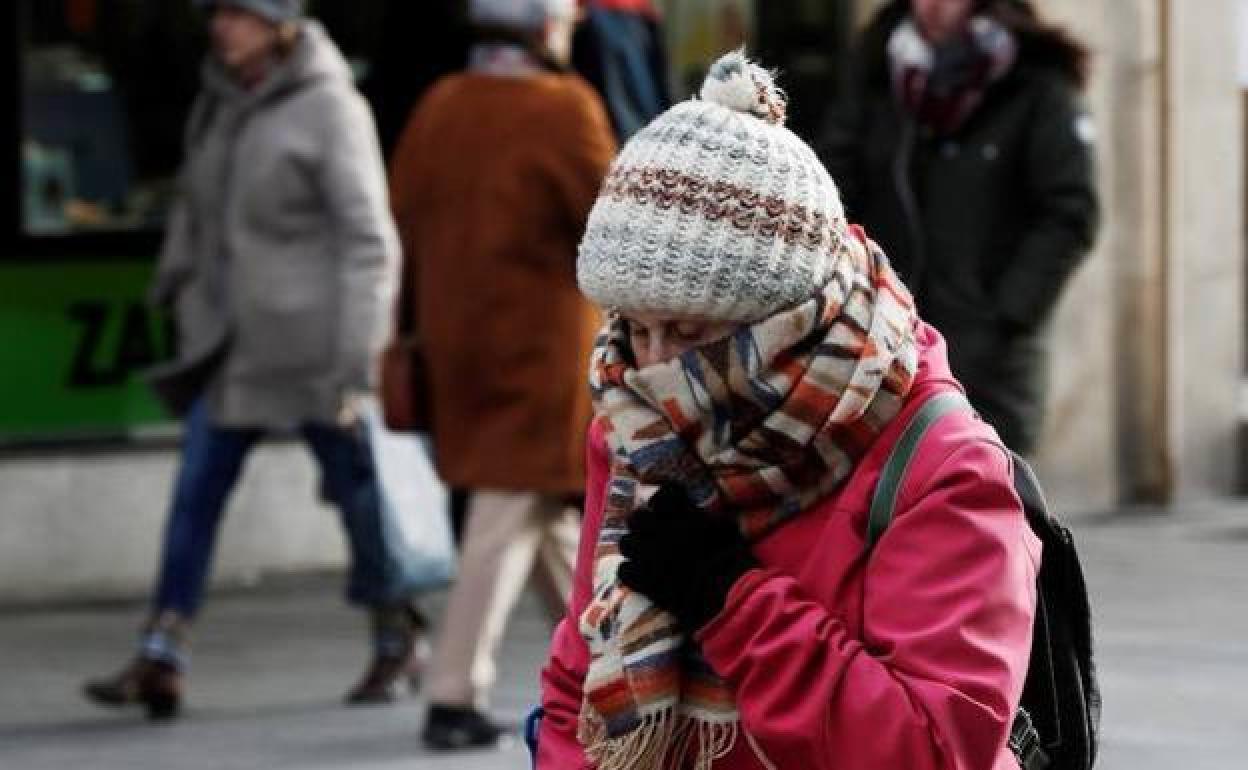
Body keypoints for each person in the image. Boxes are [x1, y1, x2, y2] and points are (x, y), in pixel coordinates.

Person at [537, 51, 1040, 770]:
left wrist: (730, 601)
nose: (652, 365)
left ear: (788, 318)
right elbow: (575, 684)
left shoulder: (943, 465)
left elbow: (933, 749)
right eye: (634, 326)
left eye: (688, 332)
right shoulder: (635, 422)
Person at [84, 0, 427, 719]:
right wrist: (174, 285)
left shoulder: (331, 108)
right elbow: (194, 208)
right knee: (195, 495)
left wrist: (356, 362)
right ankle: (161, 649)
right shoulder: (222, 103)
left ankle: (396, 632)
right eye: (218, 12)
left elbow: (370, 243)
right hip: (233, 347)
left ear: (278, 25)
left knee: (361, 502)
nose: (219, 25)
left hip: (313, 352)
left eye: (238, 13)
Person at [387, 0, 617, 750]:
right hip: (542, 349)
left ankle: (608, 666)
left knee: (548, 515)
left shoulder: (440, 105)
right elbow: (612, 228)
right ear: (547, 27)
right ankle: (454, 691)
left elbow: (403, 216)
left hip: (455, 340)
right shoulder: (564, 109)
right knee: (507, 503)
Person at [819, 0, 1099, 455]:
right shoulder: (878, 73)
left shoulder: (1037, 81)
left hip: (989, 354)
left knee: (989, 503)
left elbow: (1070, 212)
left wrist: (1006, 316)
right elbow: (833, 192)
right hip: (884, 346)